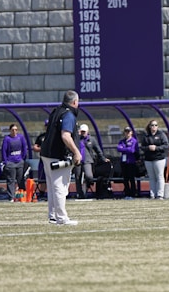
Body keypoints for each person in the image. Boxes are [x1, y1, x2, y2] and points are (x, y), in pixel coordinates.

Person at [40, 90, 82, 225]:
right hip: (58, 155)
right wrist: (76, 152)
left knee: (52, 187)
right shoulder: (69, 114)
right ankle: (62, 218)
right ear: (75, 102)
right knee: (60, 187)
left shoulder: (56, 111)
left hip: (47, 154)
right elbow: (65, 136)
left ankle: (53, 216)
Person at [73, 123, 111, 199]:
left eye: (84, 131)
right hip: (78, 160)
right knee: (78, 177)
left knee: (89, 176)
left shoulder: (91, 139)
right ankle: (80, 194)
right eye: (82, 131)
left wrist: (103, 158)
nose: (83, 133)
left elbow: (98, 150)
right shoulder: (76, 139)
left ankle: (88, 185)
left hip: (87, 160)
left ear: (87, 131)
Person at [140, 120, 169, 200]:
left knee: (159, 176)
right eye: (152, 125)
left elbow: (166, 145)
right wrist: (148, 148)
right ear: (149, 126)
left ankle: (160, 195)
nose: (154, 127)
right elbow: (142, 147)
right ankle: (152, 194)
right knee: (152, 177)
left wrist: (156, 148)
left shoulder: (161, 134)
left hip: (159, 159)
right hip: (148, 159)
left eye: (156, 125)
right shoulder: (146, 136)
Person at [2, 123, 28, 202]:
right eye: (12, 130)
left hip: (19, 162)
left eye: (16, 130)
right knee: (11, 180)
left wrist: (22, 159)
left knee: (20, 180)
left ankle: (22, 196)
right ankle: (11, 197)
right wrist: (6, 162)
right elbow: (4, 150)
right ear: (10, 130)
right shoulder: (7, 139)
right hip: (11, 163)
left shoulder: (21, 137)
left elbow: (24, 148)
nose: (14, 131)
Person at [117, 126, 139, 199]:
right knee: (125, 179)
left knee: (131, 178)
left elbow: (132, 150)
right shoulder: (122, 141)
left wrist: (124, 149)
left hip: (131, 162)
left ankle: (133, 193)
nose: (127, 133)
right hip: (124, 162)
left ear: (131, 132)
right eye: (126, 131)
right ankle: (127, 194)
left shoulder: (134, 141)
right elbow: (118, 148)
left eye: (129, 131)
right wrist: (126, 149)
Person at [32, 120, 48, 198]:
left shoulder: (55, 136)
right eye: (46, 125)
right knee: (42, 178)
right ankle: (42, 194)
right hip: (43, 159)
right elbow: (35, 147)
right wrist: (42, 149)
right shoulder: (41, 136)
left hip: (52, 160)